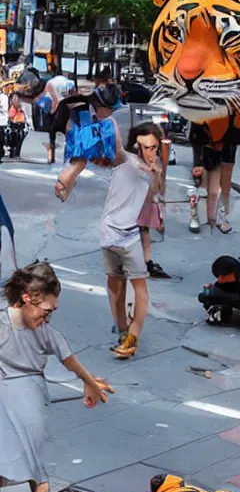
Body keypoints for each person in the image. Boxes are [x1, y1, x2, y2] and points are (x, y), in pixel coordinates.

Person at [0, 263, 113, 492]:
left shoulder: (46, 332)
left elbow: (70, 361)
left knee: (37, 475)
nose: (46, 317)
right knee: (23, 469)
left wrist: (90, 382)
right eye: (45, 310)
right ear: (27, 299)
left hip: (31, 402)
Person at [55, 95, 151, 359]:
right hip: (112, 236)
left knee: (130, 288)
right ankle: (124, 333)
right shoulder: (125, 164)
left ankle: (130, 335)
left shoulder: (133, 165)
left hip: (127, 239)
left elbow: (116, 149)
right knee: (116, 286)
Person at [126, 122, 169, 279]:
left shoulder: (155, 161)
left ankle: (146, 261)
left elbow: (157, 187)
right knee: (133, 233)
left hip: (147, 204)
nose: (152, 152)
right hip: (134, 204)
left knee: (145, 232)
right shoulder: (131, 162)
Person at [188, 120, 240, 233]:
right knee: (201, 184)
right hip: (205, 141)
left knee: (222, 185)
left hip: (227, 146)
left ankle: (219, 216)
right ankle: (198, 215)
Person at [42, 74, 75, 164]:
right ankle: (68, 157)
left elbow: (55, 100)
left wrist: (52, 112)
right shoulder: (68, 83)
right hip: (66, 110)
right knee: (68, 134)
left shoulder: (49, 84)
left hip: (59, 110)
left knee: (52, 133)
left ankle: (51, 157)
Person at [7, 93, 27, 158]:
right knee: (13, 139)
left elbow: (24, 117)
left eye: (16, 98)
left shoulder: (21, 108)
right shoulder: (12, 108)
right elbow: (11, 116)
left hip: (21, 125)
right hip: (14, 126)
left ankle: (18, 152)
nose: (15, 100)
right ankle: (13, 151)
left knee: (20, 138)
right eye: (14, 98)